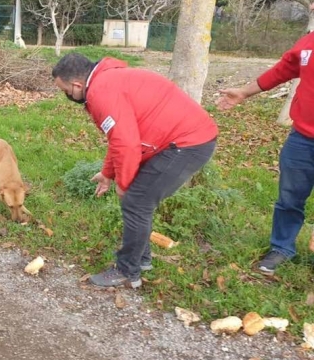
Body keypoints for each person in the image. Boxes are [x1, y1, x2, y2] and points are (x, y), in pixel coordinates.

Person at [52, 53, 218, 288]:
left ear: (77, 84)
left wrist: (123, 183)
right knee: (138, 200)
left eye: (65, 90)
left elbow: (126, 144)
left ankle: (127, 271)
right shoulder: (106, 80)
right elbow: (119, 138)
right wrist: (108, 173)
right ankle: (141, 258)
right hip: (182, 140)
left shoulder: (101, 92)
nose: (66, 96)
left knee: (136, 201)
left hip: (187, 144)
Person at [216, 2, 314, 275]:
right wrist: (245, 92)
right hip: (303, 138)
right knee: (289, 198)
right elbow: (284, 70)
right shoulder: (309, 42)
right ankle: (281, 247)